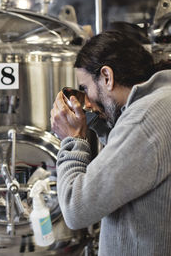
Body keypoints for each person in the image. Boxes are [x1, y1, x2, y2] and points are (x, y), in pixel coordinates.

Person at [50, 30, 171, 255]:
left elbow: (75, 209)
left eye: (85, 88)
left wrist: (72, 139)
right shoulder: (161, 102)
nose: (86, 99)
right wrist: (98, 119)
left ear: (107, 76)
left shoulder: (143, 119)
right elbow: (131, 170)